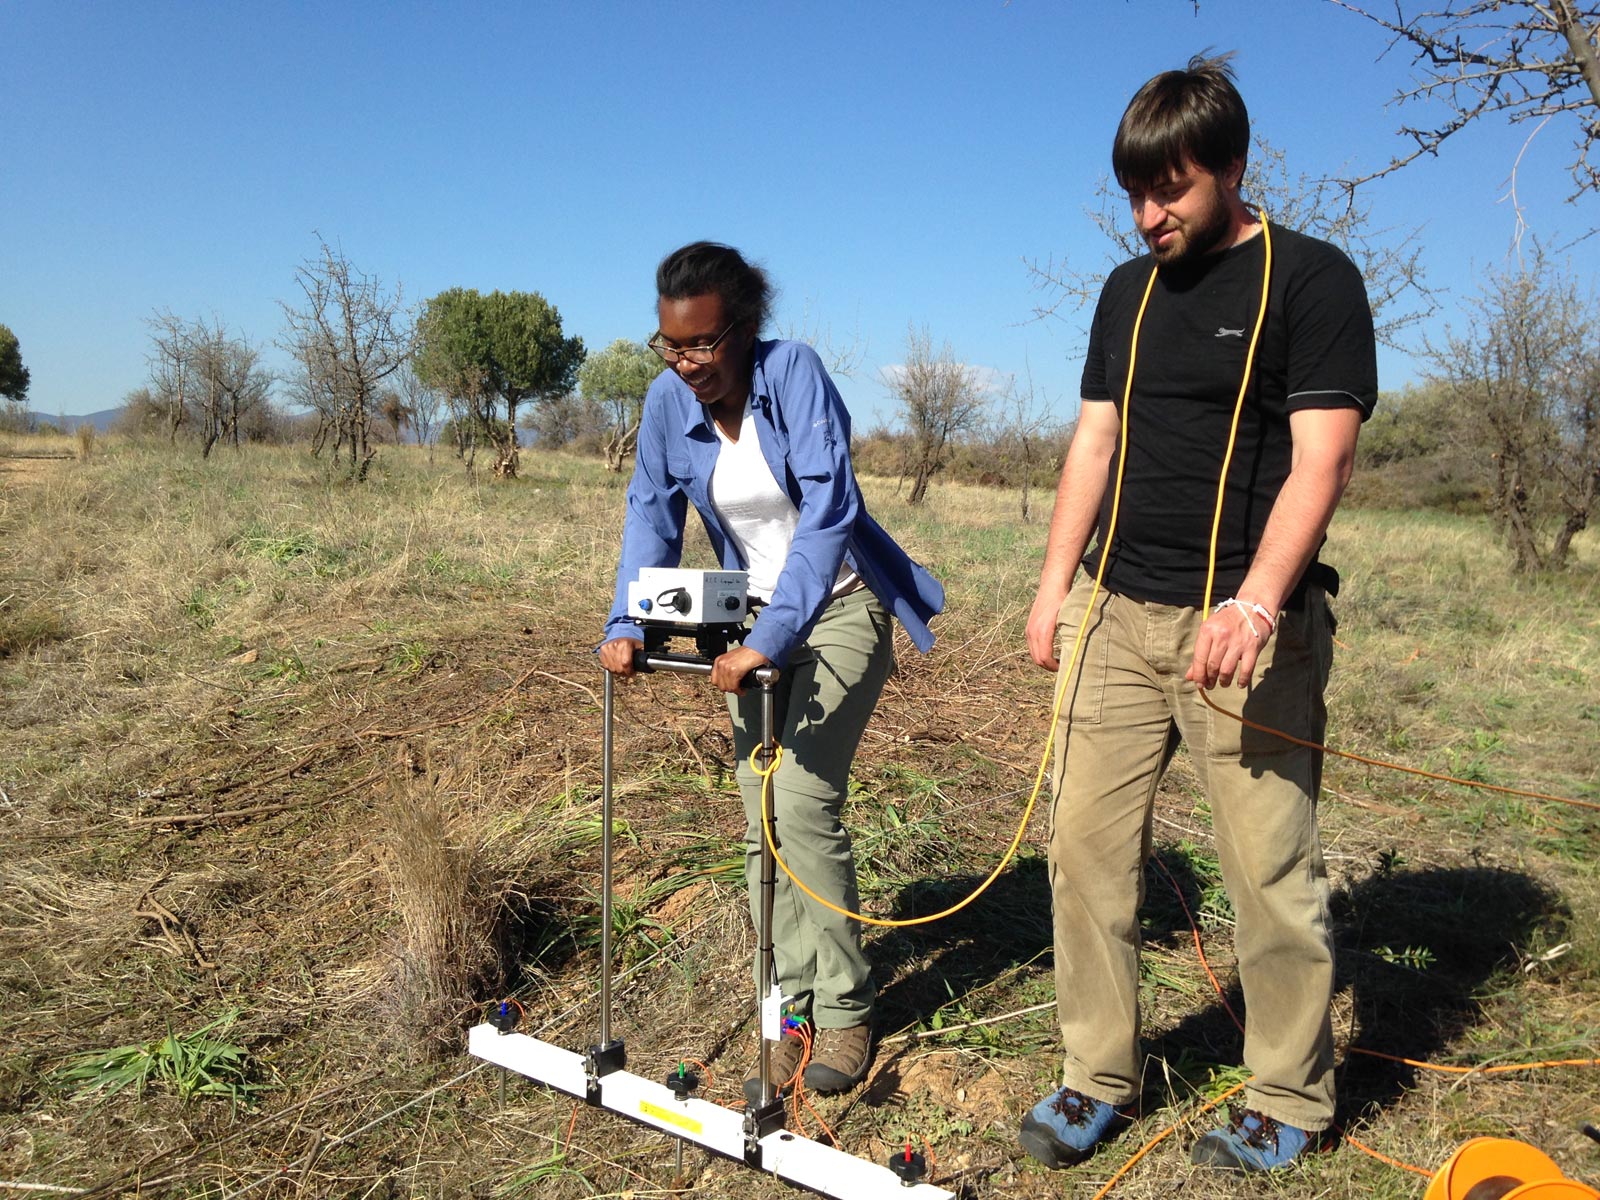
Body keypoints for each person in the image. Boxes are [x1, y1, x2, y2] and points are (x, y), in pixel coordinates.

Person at [1019, 54, 1377, 1173]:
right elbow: (1095, 440)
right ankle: (1096, 1075)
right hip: (1116, 618)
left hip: (1244, 633)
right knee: (1082, 853)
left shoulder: (1312, 282)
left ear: (1232, 165)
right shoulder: (1126, 294)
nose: (1147, 216)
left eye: (1168, 189)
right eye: (1134, 192)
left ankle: (1288, 1096)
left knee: (1268, 870)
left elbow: (1323, 459)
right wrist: (1053, 587)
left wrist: (1258, 605)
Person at [599, 242, 944, 1104]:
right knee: (759, 810)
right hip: (748, 626)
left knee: (800, 796)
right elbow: (652, 516)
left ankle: (846, 1009)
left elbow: (832, 514)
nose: (687, 365)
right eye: (671, 347)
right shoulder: (665, 403)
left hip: (837, 607)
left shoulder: (794, 377)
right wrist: (627, 623)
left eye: (703, 346)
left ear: (746, 331)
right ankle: (790, 1003)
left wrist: (773, 637)